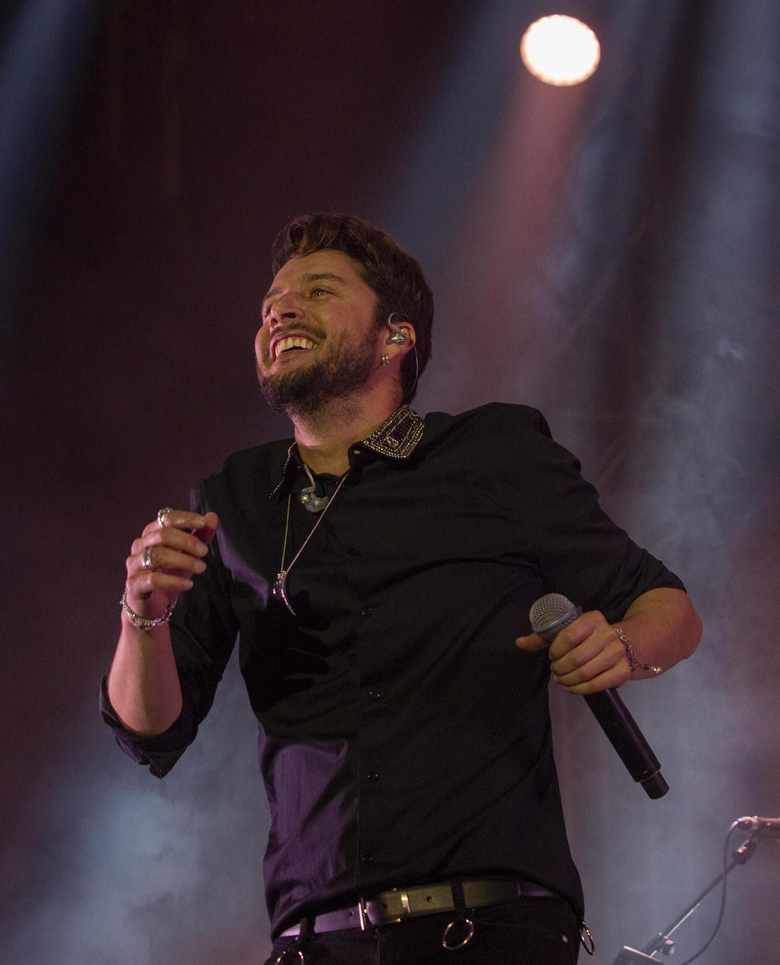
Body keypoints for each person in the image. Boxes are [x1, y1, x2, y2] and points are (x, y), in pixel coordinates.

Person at [101, 213, 702, 965]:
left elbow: (668, 607)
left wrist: (621, 644)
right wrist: (141, 615)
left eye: (317, 292)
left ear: (395, 336)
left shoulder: (494, 453)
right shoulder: (236, 498)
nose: (280, 310)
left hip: (487, 927)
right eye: (270, 305)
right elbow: (150, 730)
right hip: (313, 943)